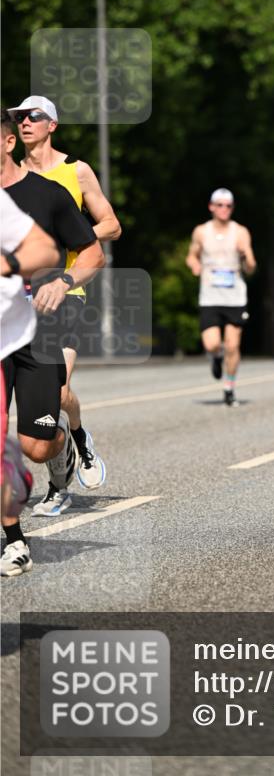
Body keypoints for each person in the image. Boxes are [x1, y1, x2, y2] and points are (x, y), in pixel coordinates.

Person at [9, 95, 120, 489]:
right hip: (19, 299)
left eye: (33, 116)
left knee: (58, 391)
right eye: (19, 117)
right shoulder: (12, 175)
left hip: (68, 288)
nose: (24, 122)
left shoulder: (76, 171)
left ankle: (74, 442)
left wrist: (67, 235)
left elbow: (111, 224)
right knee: (47, 395)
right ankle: (67, 444)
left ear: (51, 125)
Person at [1, 190, 59, 575]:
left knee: (35, 448)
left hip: (13, 332)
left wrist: (9, 261)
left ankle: (13, 535)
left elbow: (47, 251)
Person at [186, 188, 256, 406]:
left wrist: (245, 254)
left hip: (235, 297)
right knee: (212, 344)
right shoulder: (201, 231)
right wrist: (194, 265)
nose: (224, 209)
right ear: (211, 207)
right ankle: (216, 358)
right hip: (210, 296)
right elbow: (191, 255)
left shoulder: (241, 232)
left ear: (232, 208)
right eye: (220, 205)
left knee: (233, 346)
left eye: (228, 205)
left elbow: (251, 268)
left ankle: (229, 387)